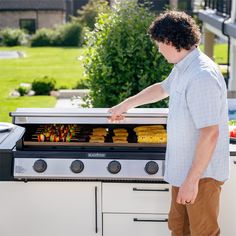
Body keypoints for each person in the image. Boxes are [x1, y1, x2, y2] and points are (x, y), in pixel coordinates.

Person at [109, 10, 229, 236]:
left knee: (203, 233)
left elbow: (210, 133)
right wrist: (125, 105)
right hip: (184, 173)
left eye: (158, 44)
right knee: (179, 230)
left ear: (170, 41)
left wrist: (192, 181)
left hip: (201, 177)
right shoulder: (185, 67)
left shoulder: (201, 76)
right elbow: (162, 88)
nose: (158, 50)